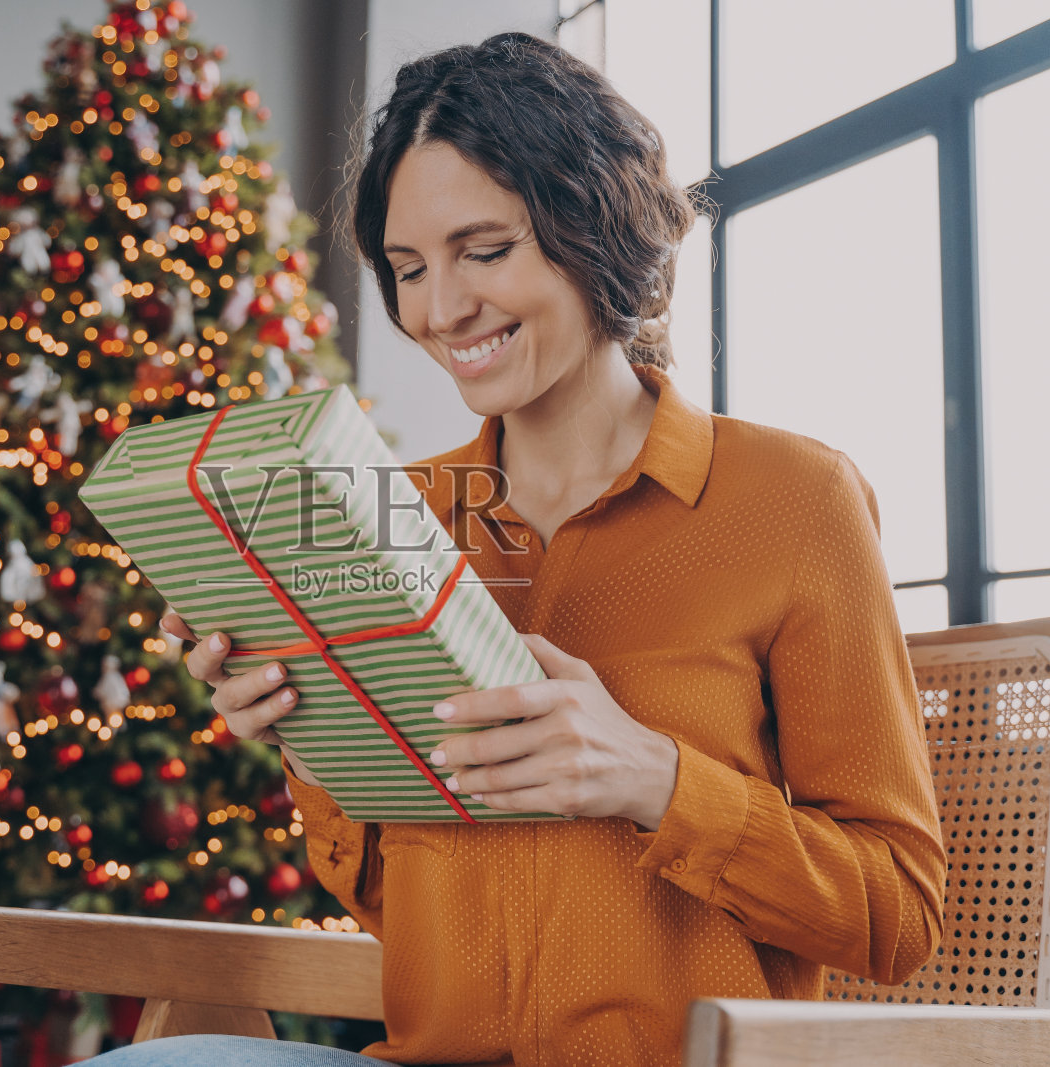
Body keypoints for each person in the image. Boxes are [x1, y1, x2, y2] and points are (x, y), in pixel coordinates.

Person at [91, 30, 946, 1067]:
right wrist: (315, 736)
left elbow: (897, 918)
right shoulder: (390, 516)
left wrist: (656, 779)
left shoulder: (794, 501)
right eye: (407, 269)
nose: (441, 309)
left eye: (484, 251)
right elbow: (386, 905)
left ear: (597, 226)